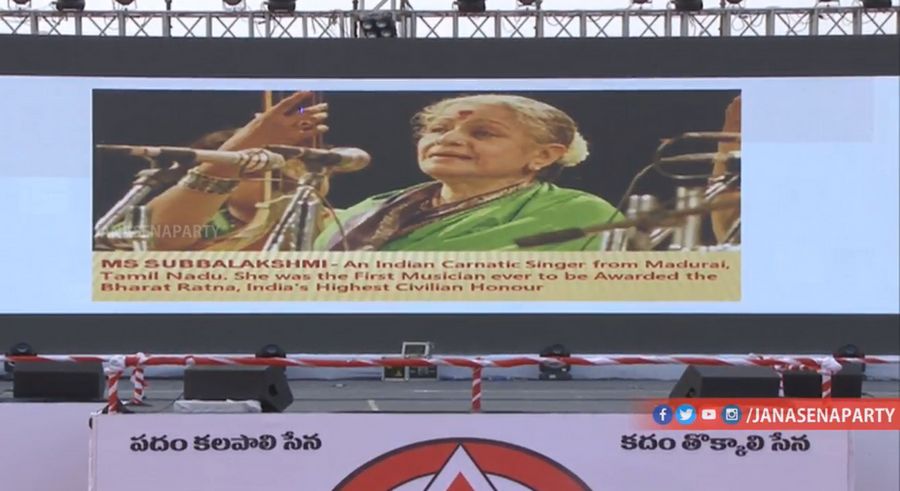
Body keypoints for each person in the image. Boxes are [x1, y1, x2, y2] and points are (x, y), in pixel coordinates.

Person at [144, 92, 621, 251]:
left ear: (543, 156)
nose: (448, 139)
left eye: (483, 133)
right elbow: (160, 240)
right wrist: (244, 147)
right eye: (436, 129)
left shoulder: (578, 211)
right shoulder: (370, 210)